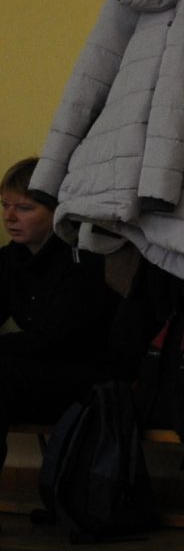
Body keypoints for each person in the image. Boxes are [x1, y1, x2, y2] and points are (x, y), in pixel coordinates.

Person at [1, 157, 122, 435]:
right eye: (5, 205)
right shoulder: (10, 259)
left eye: (24, 208)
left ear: (57, 211)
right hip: (35, 372)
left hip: (86, 378)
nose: (9, 217)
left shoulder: (82, 260)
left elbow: (51, 339)